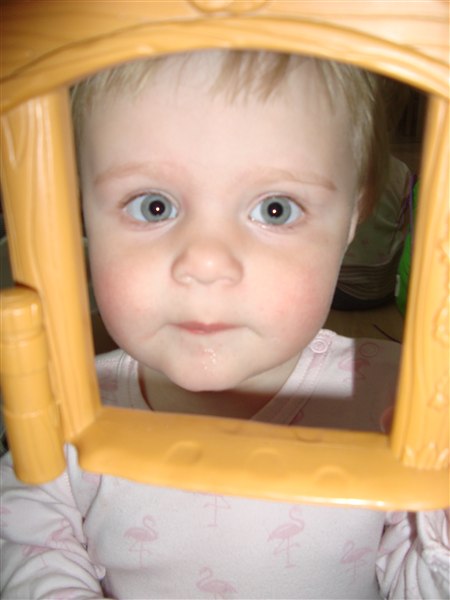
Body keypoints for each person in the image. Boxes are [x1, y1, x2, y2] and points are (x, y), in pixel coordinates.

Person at [1, 50, 448, 599]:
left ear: (353, 218)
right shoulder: (67, 406)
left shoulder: (395, 401)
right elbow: (31, 544)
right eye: (153, 206)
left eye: (276, 209)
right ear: (79, 211)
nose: (206, 263)